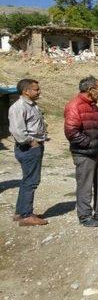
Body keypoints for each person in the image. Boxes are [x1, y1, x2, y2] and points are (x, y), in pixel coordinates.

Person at [64, 76, 98, 227]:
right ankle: (85, 216)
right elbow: (71, 131)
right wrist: (89, 144)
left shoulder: (92, 105)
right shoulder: (74, 105)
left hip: (97, 153)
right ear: (90, 90)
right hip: (84, 154)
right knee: (85, 186)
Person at [8, 79, 49, 226]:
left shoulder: (31, 105)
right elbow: (18, 131)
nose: (39, 92)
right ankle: (26, 215)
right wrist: (32, 142)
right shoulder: (18, 107)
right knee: (31, 181)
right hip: (28, 148)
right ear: (26, 91)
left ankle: (20, 212)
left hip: (33, 146)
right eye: (36, 90)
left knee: (27, 180)